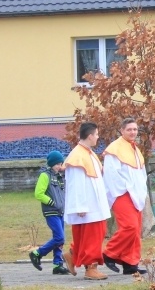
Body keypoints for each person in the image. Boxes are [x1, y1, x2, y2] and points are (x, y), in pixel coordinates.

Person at [63, 122, 111, 280]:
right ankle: (90, 268)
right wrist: (80, 206)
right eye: (96, 134)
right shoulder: (78, 156)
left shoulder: (89, 154)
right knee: (92, 236)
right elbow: (76, 184)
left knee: (92, 235)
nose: (98, 137)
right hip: (88, 207)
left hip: (94, 205)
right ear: (90, 136)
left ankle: (73, 255)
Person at [101, 118, 148, 275]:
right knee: (130, 226)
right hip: (122, 193)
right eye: (129, 129)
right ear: (121, 130)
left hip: (136, 194)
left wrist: (140, 191)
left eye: (135, 129)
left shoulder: (135, 149)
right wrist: (125, 190)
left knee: (136, 230)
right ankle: (109, 254)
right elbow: (111, 175)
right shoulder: (114, 149)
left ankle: (130, 263)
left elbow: (140, 173)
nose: (133, 132)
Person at [29, 151, 69, 274]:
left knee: (60, 239)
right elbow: (38, 193)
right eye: (57, 164)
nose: (59, 166)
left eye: (60, 163)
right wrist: (51, 202)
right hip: (51, 211)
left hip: (60, 211)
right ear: (51, 164)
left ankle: (57, 265)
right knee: (59, 237)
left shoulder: (60, 176)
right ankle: (37, 253)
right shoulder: (45, 175)